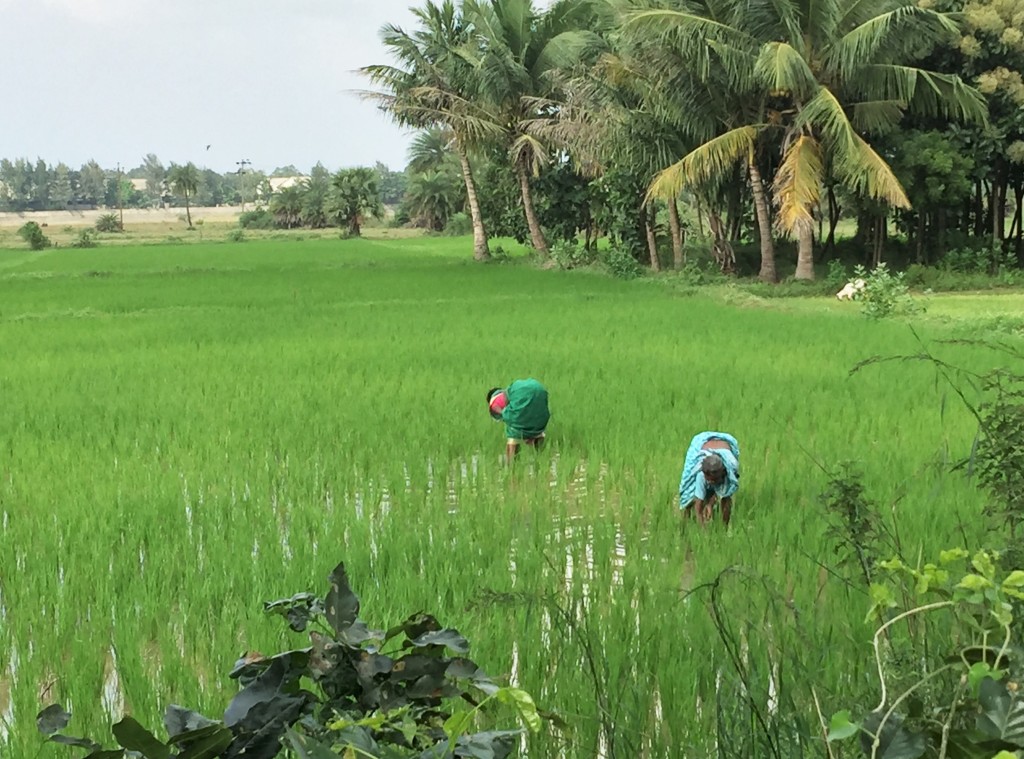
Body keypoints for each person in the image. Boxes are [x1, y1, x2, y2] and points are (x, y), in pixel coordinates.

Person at [679, 431, 740, 526]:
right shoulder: (701, 475)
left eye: (714, 480)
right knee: (688, 493)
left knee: (726, 499)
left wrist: (723, 529)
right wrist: (703, 530)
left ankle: (724, 528)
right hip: (701, 442)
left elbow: (725, 498)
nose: (711, 482)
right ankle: (683, 525)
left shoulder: (729, 470)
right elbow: (698, 506)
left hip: (724, 446)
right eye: (709, 480)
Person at [487, 379, 550, 464]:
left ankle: (511, 466)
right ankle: (541, 462)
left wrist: (506, 415)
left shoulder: (496, 399)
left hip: (521, 417)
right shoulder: (515, 392)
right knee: (537, 433)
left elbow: (496, 408)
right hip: (541, 411)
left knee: (512, 431)